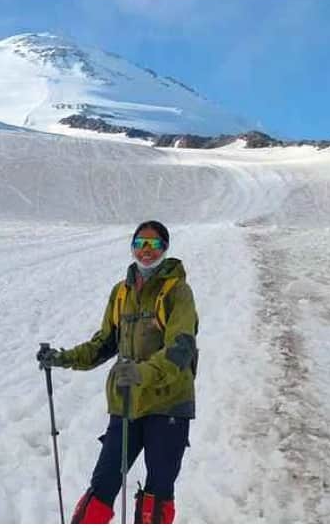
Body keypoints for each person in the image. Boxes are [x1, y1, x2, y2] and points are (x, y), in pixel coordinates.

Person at [37, 220, 199, 524]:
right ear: (132, 248)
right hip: (127, 401)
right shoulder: (121, 293)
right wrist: (61, 358)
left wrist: (141, 373)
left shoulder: (178, 292)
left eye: (153, 244)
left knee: (158, 493)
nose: (146, 251)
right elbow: (104, 343)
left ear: (165, 248)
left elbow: (181, 347)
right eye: (140, 244)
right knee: (103, 484)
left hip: (169, 404)